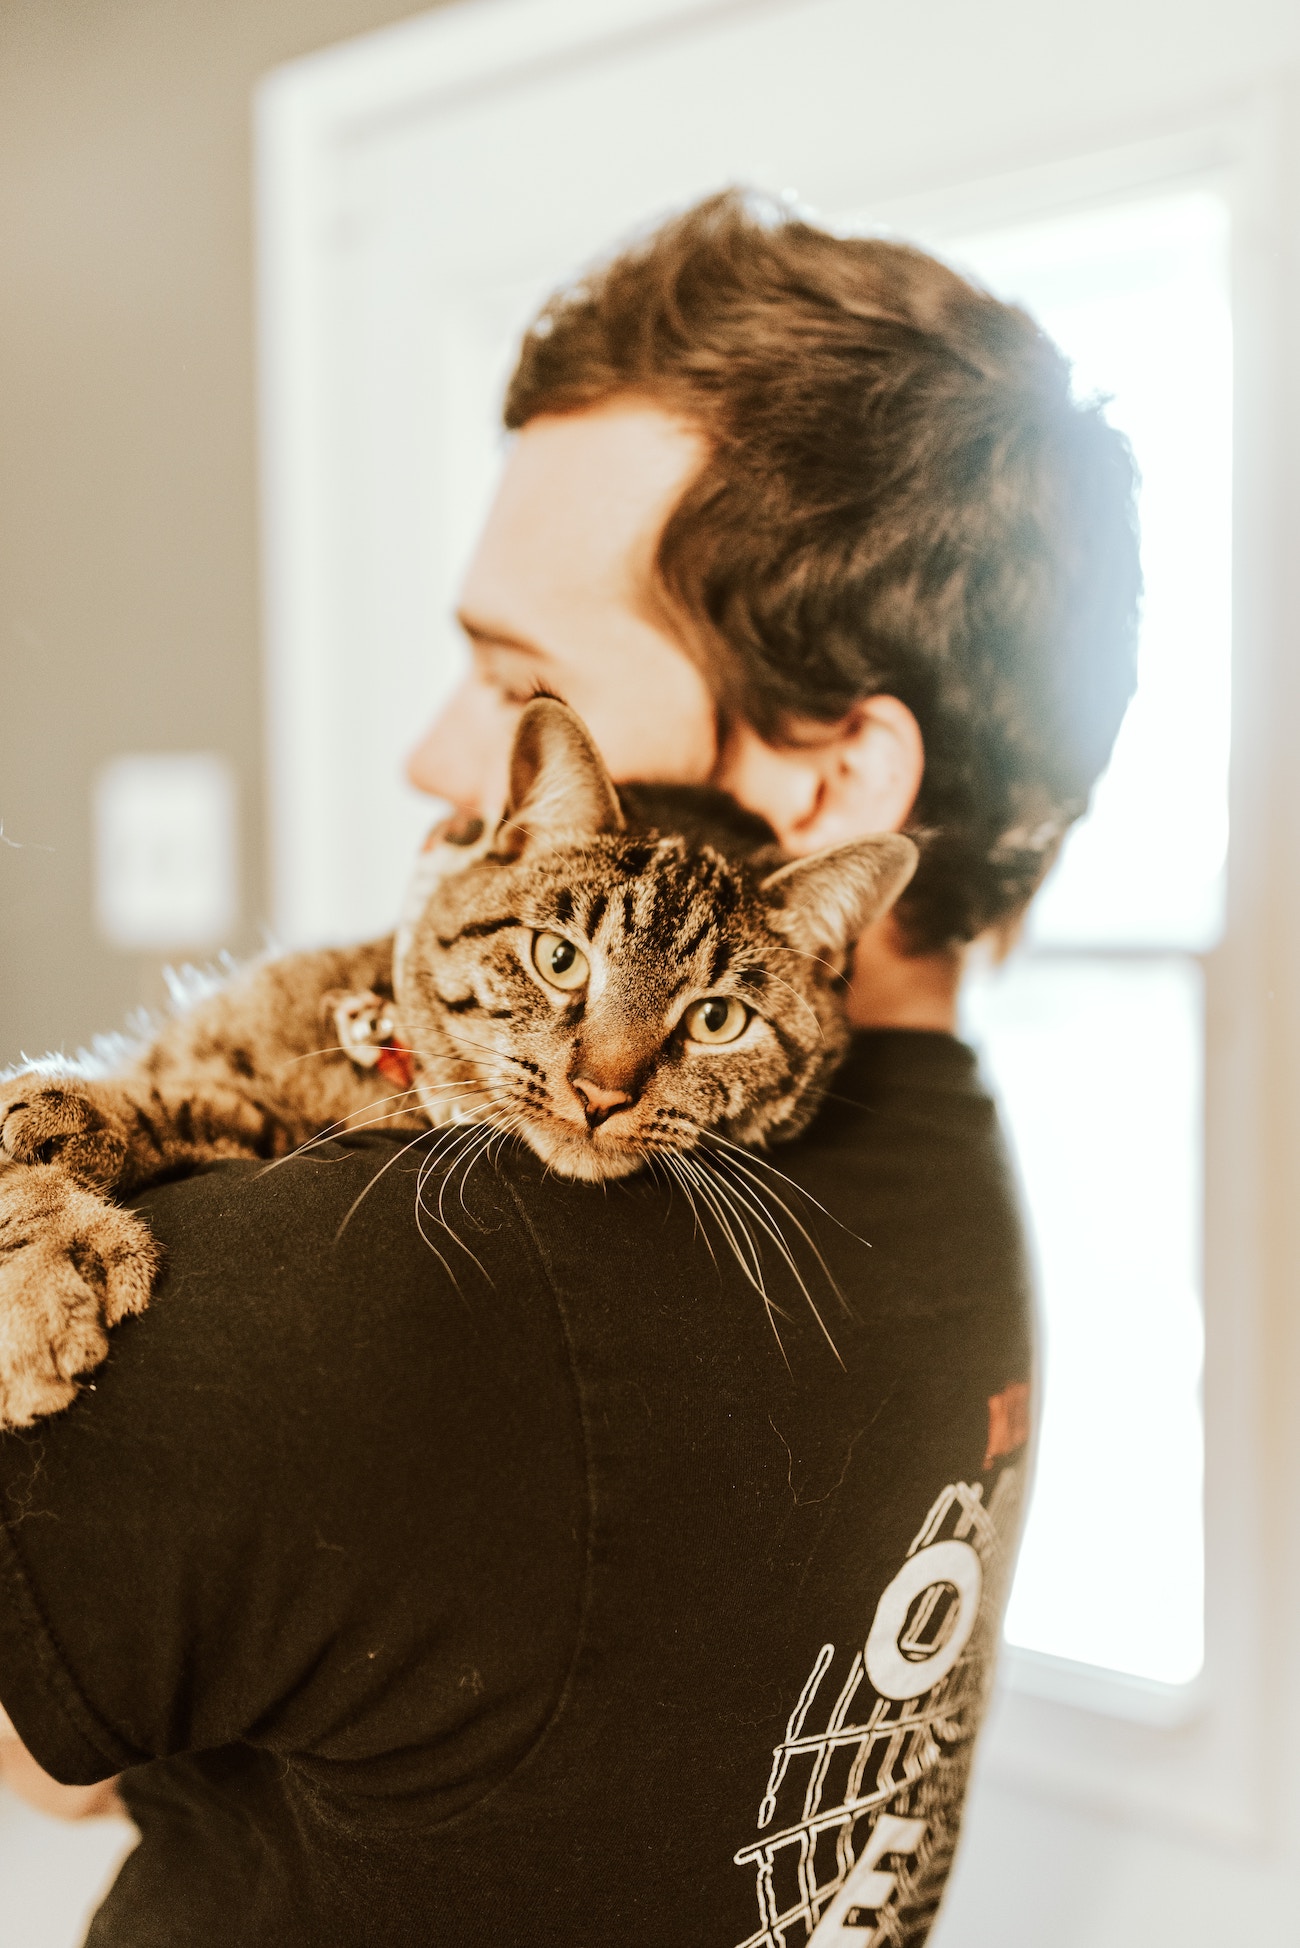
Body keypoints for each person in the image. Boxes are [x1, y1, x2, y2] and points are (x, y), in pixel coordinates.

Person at [0, 190, 1138, 1945]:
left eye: (520, 677)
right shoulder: (949, 1174)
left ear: (830, 790)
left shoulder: (384, 1292)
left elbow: (52, 1758)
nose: (432, 755)